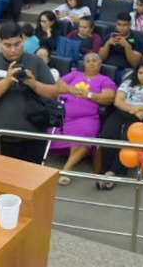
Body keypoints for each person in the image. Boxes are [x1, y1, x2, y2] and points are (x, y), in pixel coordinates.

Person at [0, 23, 60, 163]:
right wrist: (7, 81)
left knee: (29, 181)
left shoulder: (36, 61)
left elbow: (53, 94)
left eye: (17, 44)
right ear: (0, 43)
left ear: (23, 41)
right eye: (7, 45)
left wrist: (34, 84)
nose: (13, 50)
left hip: (33, 138)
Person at [97, 61, 143, 189]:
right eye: (140, 73)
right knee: (107, 135)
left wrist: (139, 107)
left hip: (140, 117)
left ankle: (113, 172)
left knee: (127, 141)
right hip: (122, 112)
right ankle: (106, 170)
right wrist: (131, 109)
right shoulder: (128, 83)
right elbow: (118, 101)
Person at [50, 53, 117, 185]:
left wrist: (89, 94)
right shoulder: (75, 75)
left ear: (100, 64)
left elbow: (108, 98)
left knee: (85, 133)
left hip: (87, 118)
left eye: (94, 61)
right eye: (88, 61)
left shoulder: (104, 80)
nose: (91, 63)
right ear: (84, 64)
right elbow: (57, 85)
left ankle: (67, 169)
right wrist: (71, 89)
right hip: (62, 114)